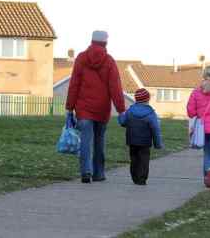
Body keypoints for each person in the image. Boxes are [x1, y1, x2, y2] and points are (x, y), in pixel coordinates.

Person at [66, 30, 126, 184]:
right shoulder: (109, 61)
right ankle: (98, 173)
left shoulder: (81, 58)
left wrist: (69, 108)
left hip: (83, 109)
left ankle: (86, 172)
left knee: (85, 140)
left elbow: (74, 84)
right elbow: (115, 87)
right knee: (99, 140)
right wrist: (121, 110)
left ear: (91, 41)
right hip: (102, 108)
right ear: (106, 42)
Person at [118, 88, 163, 185]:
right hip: (145, 142)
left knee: (134, 159)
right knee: (144, 160)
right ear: (147, 100)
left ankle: (135, 177)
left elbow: (123, 122)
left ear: (136, 99)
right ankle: (142, 179)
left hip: (132, 140)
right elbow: (155, 129)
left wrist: (120, 115)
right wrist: (157, 144)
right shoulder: (151, 113)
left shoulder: (129, 111)